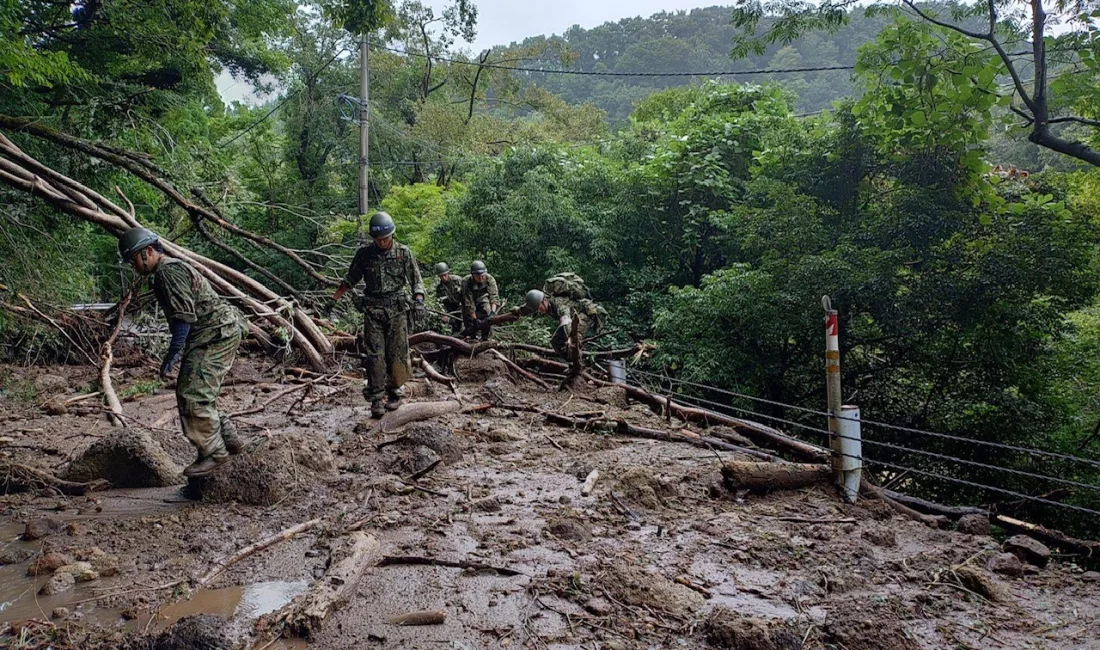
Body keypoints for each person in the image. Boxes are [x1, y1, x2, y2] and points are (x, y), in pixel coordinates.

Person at [117, 227, 247, 477]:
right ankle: (230, 442)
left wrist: (174, 351)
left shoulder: (168, 271)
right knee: (197, 391)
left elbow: (184, 316)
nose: (134, 266)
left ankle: (214, 454)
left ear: (148, 252)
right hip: (214, 332)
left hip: (216, 333)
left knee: (192, 394)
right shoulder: (167, 270)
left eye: (134, 259)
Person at [332, 212, 425, 418]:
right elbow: (351, 278)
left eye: (386, 238)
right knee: (375, 355)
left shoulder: (403, 253)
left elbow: (416, 279)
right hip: (373, 310)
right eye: (379, 239)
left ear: (392, 235)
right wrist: (334, 298)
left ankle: (395, 391)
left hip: (397, 310)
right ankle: (376, 397)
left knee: (398, 353)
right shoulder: (364, 255)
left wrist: (419, 301)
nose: (383, 242)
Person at [523, 272, 607, 359]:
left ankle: (579, 360)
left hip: (585, 315)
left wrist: (570, 338)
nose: (539, 311)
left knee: (574, 339)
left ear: (544, 300)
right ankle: (570, 361)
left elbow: (566, 320)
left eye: (539, 308)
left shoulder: (559, 304)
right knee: (556, 342)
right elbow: (526, 308)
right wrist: (517, 311)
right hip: (574, 318)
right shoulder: (547, 302)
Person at [460, 261, 498, 341]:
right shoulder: (465, 282)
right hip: (469, 301)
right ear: (473, 275)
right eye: (478, 276)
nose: (481, 278)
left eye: (482, 276)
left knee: (487, 313)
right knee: (469, 319)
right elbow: (468, 302)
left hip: (482, 298)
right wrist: (474, 318)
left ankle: (486, 337)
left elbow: (493, 296)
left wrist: (492, 312)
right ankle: (471, 337)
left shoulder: (489, 279)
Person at [433, 262, 463, 335]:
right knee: (455, 328)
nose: (443, 277)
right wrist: (444, 314)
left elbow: (468, 294)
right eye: (441, 276)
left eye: (445, 275)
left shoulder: (458, 280)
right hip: (451, 310)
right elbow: (440, 303)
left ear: (448, 273)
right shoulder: (439, 288)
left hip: (463, 306)